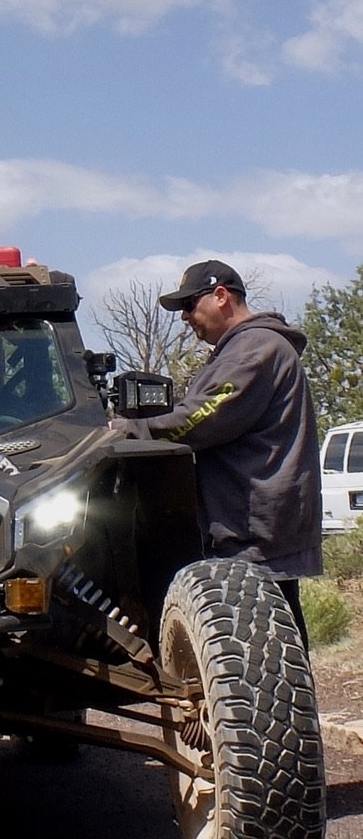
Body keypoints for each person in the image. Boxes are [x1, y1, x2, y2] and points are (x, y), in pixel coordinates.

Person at [110, 259, 322, 650]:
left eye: (189, 305)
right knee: (273, 641)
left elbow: (202, 418)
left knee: (263, 647)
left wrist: (131, 430)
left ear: (221, 296)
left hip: (256, 528)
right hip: (253, 525)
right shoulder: (246, 348)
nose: (186, 318)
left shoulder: (254, 349)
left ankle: (282, 710)